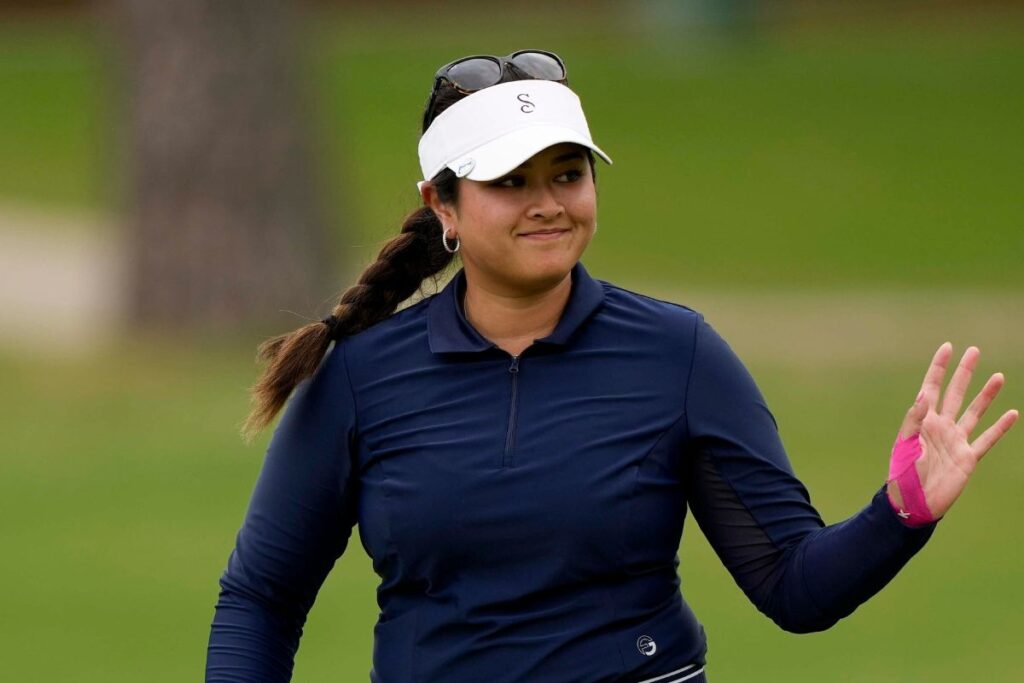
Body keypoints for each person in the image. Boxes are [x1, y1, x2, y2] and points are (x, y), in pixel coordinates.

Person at [205, 50, 1019, 683]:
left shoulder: (677, 355)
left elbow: (795, 587)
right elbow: (262, 598)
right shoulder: (362, 377)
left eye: (568, 173)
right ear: (442, 206)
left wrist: (901, 512)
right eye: (509, 181)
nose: (548, 202)